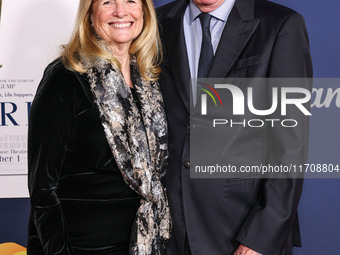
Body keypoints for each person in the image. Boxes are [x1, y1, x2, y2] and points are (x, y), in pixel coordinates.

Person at [157, 0, 313, 254]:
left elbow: (290, 143)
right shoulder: (156, 21)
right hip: (169, 229)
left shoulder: (280, 24)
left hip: (241, 229)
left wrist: (262, 236)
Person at [27, 0, 171, 254]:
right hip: (82, 246)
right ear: (90, 15)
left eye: (130, 1)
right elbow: (42, 189)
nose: (120, 11)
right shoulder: (65, 77)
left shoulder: (150, 79)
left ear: (144, 12)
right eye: (107, 2)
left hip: (144, 244)